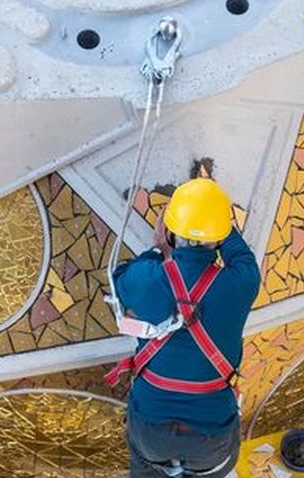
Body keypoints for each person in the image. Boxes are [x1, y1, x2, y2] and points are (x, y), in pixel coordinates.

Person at [107, 176, 260, 477]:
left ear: (169, 231)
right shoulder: (241, 282)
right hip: (211, 436)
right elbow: (240, 253)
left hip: (151, 429)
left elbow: (119, 277)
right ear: (220, 236)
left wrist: (158, 250)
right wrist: (214, 219)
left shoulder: (145, 278)